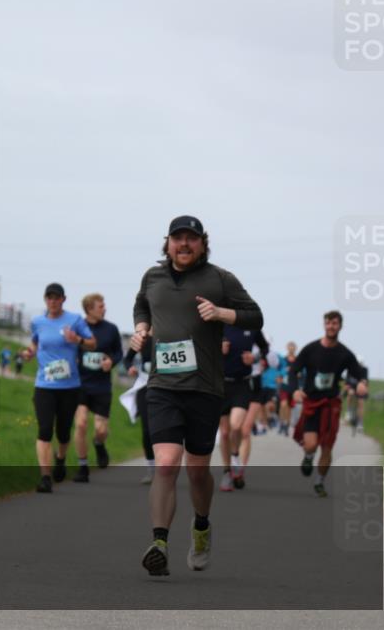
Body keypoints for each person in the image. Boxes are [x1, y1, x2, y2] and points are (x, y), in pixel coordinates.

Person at [132, 215, 262, 575]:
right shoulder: (152, 276)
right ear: (168, 242)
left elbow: (256, 316)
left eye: (191, 239)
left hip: (204, 389)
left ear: (203, 243)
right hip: (162, 386)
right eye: (178, 239)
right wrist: (141, 328)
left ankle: (201, 525)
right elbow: (142, 304)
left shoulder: (220, 279)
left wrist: (222, 313)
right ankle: (159, 541)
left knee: (198, 471)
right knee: (167, 463)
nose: (184, 244)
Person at [24, 282, 96, 492]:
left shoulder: (74, 320)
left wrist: (77, 339)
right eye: (49, 298)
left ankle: (61, 458)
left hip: (69, 386)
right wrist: (29, 352)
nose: (52, 301)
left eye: (56, 298)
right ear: (45, 299)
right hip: (44, 385)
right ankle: (45, 477)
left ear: (63, 299)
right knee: (45, 430)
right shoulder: (37, 321)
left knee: (63, 432)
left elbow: (93, 343)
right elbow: (35, 343)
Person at [289, 311, 368, 497]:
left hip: (331, 405)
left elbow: (359, 372)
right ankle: (308, 456)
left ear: (340, 326)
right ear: (324, 325)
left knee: (327, 446)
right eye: (328, 323)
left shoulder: (345, 354)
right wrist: (295, 389)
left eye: (334, 323)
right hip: (312, 403)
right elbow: (294, 370)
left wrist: (363, 384)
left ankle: (320, 481)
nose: (331, 327)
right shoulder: (311, 349)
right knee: (310, 444)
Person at [74, 293, 123, 481]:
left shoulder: (111, 329)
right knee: (81, 424)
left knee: (101, 430)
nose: (105, 308)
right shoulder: (79, 329)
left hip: (102, 386)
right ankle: (82, 467)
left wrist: (112, 361)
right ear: (89, 309)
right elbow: (70, 348)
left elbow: (119, 352)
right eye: (101, 306)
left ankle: (98, 444)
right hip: (81, 384)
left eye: (104, 305)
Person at [218, 325, 269, 491]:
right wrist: (217, 348)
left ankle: (235, 460)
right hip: (221, 384)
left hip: (242, 384)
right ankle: (227, 472)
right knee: (224, 433)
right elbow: (202, 347)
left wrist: (254, 357)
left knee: (237, 425)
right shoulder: (218, 325)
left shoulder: (251, 326)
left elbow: (265, 347)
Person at [123, 335, 154, 483]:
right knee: (147, 430)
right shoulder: (143, 338)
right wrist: (130, 368)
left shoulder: (172, 333)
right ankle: (151, 468)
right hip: (145, 386)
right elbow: (127, 359)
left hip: (168, 387)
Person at [277, 342, 298, 436]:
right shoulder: (283, 360)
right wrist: (279, 377)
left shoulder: (298, 360)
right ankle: (282, 422)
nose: (291, 348)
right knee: (283, 404)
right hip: (284, 386)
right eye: (290, 346)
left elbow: (303, 372)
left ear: (295, 348)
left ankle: (287, 425)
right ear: (287, 348)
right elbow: (278, 371)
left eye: (293, 346)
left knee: (289, 407)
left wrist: (299, 374)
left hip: (294, 386)